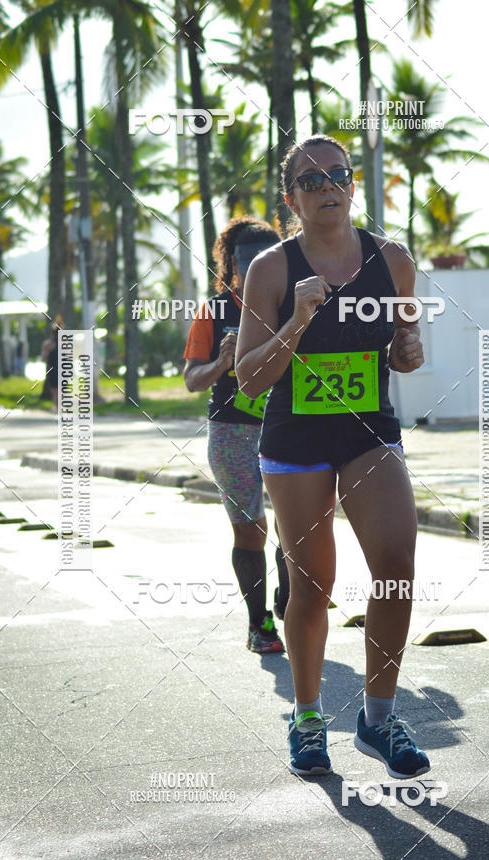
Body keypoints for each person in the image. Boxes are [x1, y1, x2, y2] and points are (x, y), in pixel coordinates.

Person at [235, 135, 431, 778]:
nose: (326, 187)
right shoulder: (271, 269)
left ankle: (378, 719)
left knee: (397, 566)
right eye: (310, 179)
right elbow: (248, 381)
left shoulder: (392, 259)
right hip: (296, 441)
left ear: (353, 187)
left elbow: (406, 343)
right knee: (312, 585)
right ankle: (310, 717)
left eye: (337, 175)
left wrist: (406, 351)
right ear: (291, 197)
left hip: (367, 431)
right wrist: (295, 322)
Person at [183, 217, 290, 654]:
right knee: (251, 534)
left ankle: (289, 596)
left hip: (288, 428)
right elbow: (192, 380)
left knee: (297, 530)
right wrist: (222, 364)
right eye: (245, 263)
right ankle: (259, 624)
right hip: (232, 435)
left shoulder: (293, 303)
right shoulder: (214, 311)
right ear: (231, 266)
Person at [45, 324, 60, 412]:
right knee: (54, 389)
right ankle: (56, 405)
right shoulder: (48, 344)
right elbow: (44, 357)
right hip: (52, 369)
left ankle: (57, 406)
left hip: (60, 368)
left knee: (59, 389)